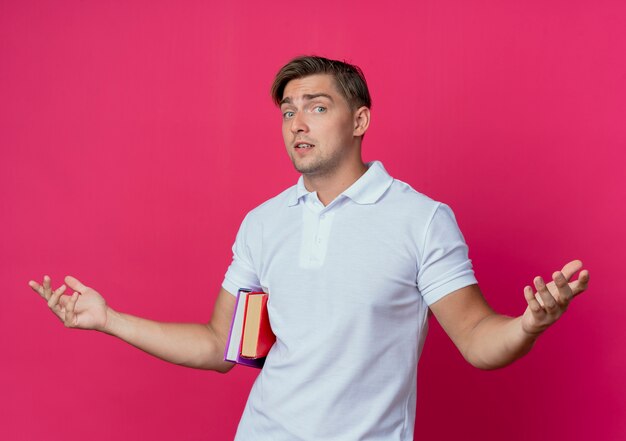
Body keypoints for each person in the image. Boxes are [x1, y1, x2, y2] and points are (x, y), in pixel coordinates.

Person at [29, 56, 590, 441]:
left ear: (359, 120)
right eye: (288, 111)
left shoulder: (419, 220)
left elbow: (476, 341)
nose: (297, 122)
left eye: (317, 107)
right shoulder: (265, 224)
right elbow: (223, 348)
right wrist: (107, 320)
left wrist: (527, 324)